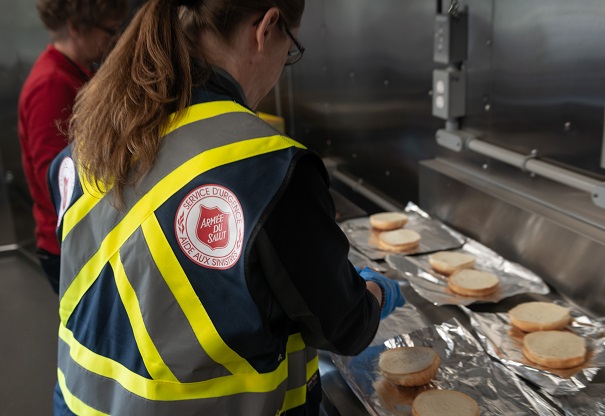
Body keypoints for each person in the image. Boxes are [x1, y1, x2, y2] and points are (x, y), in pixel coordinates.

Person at [48, 0, 405, 414]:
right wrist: (374, 291)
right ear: (267, 27)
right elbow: (344, 326)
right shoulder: (267, 167)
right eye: (290, 49)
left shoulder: (89, 142)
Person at [17, 0, 129, 293]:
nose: (115, 40)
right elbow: (56, 183)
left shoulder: (75, 70)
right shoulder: (51, 85)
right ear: (76, 28)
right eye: (110, 31)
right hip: (68, 246)